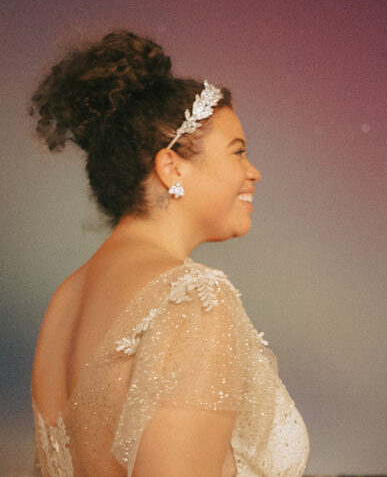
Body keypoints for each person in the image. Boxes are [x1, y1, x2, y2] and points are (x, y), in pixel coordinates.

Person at [28, 30, 308, 476]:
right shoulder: (192, 299)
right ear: (171, 166)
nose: (253, 172)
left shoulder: (65, 301)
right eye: (238, 152)